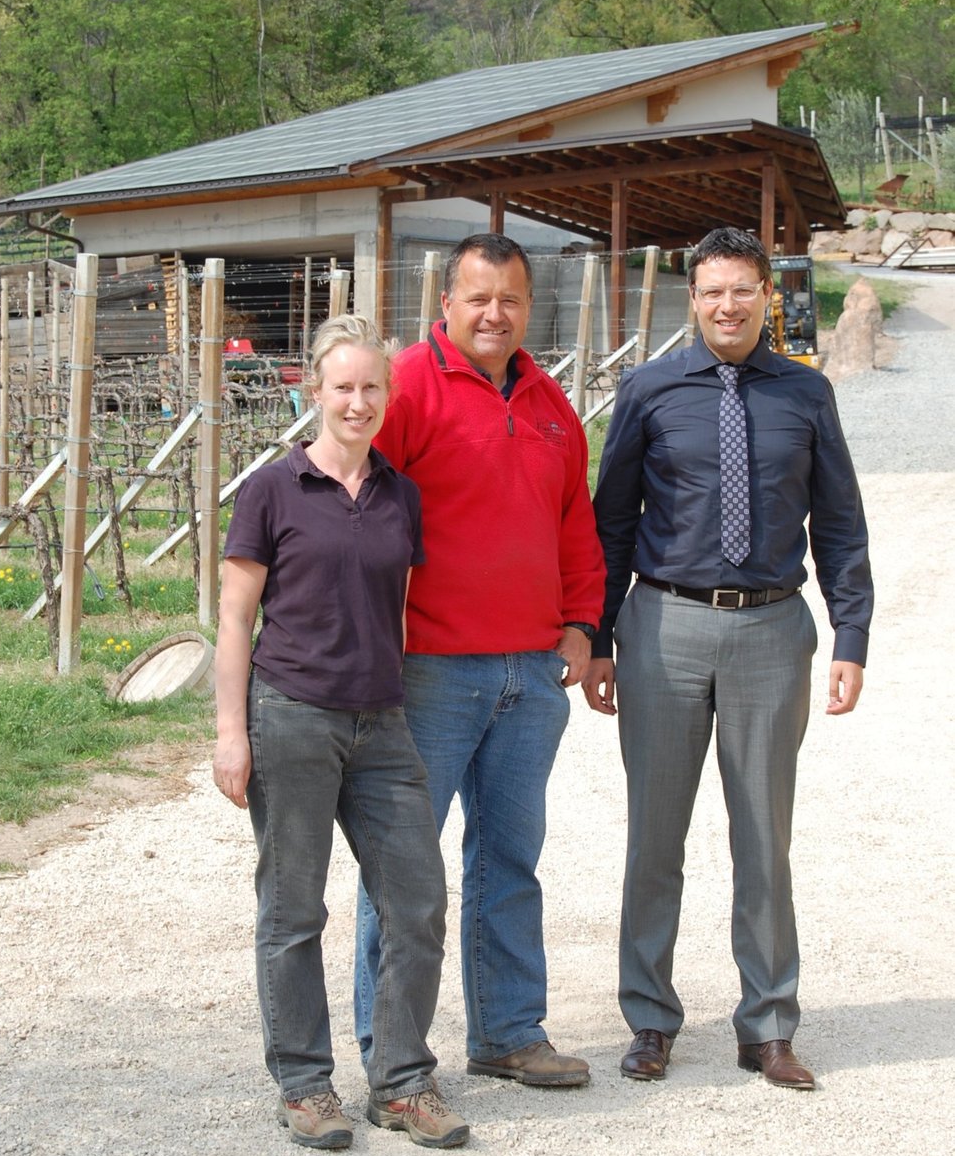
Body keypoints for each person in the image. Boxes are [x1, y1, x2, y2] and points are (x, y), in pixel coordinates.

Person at [583, 227, 873, 1091]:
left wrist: (850, 636)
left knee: (763, 837)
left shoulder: (807, 395)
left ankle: (768, 1025)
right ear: (694, 297)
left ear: (765, 295)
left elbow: (842, 523)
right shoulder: (647, 391)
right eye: (712, 291)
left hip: (771, 634)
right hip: (664, 630)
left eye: (743, 289)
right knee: (654, 838)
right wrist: (598, 637)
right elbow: (612, 524)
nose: (727, 305)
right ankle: (649, 1019)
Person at [355, 233, 605, 1087]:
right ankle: (392, 1055)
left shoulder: (547, 400)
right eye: (478, 297)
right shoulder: (408, 389)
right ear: (447, 304)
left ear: (529, 308)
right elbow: (359, 519)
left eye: (510, 299)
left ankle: (507, 1032)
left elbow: (576, 519)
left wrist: (582, 624)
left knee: (509, 861)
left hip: (531, 674)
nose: (494, 313)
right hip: (428, 673)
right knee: (404, 872)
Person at [212, 314, 468, 1150]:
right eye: (342, 386)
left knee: (418, 900)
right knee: (293, 909)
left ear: (388, 397)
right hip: (291, 715)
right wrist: (230, 730)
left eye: (371, 388)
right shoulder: (273, 490)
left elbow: (392, 609)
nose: (356, 402)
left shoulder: (401, 494)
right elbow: (235, 614)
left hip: (382, 722)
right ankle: (304, 1084)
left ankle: (399, 1082)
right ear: (313, 391)